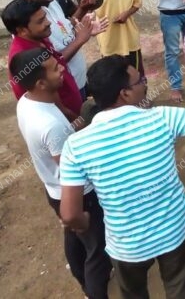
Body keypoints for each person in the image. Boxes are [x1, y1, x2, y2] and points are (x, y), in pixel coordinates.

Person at [59, 55, 185, 299]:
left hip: (126, 246)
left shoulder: (75, 145)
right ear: (124, 94)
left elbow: (70, 214)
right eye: (139, 81)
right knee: (178, 288)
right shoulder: (162, 117)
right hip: (175, 231)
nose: (145, 84)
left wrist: (83, 221)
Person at [12, 48, 111, 299]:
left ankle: (84, 283)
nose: (62, 69)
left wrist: (79, 124)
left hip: (54, 190)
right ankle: (95, 292)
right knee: (98, 251)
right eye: (55, 68)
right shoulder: (50, 126)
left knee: (75, 237)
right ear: (40, 82)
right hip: (79, 193)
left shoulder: (27, 101)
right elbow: (71, 167)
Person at [18, 0, 107, 100]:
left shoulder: (51, 1)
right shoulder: (27, 19)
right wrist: (80, 39)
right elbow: (50, 62)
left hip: (78, 80)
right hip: (64, 90)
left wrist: (83, 12)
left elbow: (66, 26)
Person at [2, 0, 82, 121]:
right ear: (22, 30)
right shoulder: (22, 59)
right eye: (40, 21)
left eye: (45, 17)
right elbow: (37, 99)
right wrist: (74, 120)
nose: (48, 22)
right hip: (63, 121)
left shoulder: (40, 36)